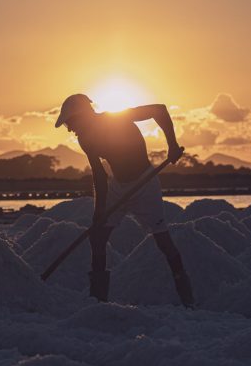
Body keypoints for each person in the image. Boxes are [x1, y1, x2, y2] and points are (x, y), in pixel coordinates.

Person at [55, 93, 194, 306]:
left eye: (71, 123)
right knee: (97, 238)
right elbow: (99, 175)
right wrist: (98, 212)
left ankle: (187, 297)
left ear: (84, 116)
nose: (71, 129)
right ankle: (98, 301)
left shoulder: (117, 119)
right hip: (116, 188)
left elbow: (160, 110)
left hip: (145, 183)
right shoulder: (85, 139)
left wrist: (172, 145)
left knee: (163, 241)